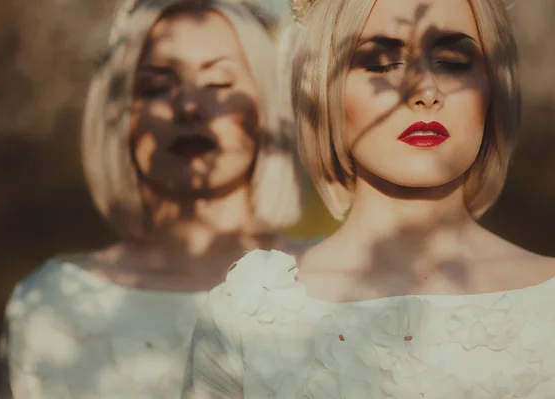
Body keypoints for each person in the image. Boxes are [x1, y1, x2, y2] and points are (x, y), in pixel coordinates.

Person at [182, 0, 555, 397]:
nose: (425, 90)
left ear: (494, 88)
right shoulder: (247, 313)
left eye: (452, 60)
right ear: (323, 89)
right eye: (380, 63)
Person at [0, 0, 306, 397]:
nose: (190, 107)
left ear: (270, 107)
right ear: (119, 116)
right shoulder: (50, 301)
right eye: (157, 86)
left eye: (219, 83)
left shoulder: (330, 286)